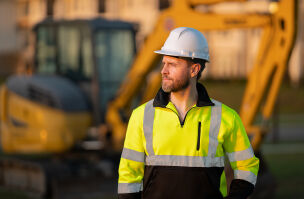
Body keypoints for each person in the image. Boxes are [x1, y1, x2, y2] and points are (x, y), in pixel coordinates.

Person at [117, 27, 259, 199]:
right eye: (164, 63)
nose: (164, 71)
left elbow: (247, 167)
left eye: (172, 64)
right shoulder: (141, 116)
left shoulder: (226, 117)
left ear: (194, 70)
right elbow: (128, 177)